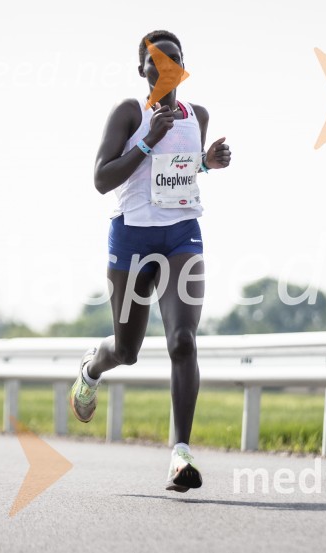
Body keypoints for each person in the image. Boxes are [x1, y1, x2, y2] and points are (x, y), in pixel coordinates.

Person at [69, 30, 231, 492]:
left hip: (182, 235)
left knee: (183, 340)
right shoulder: (129, 113)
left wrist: (206, 162)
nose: (164, 67)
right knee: (128, 350)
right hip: (132, 241)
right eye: (154, 61)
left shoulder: (196, 115)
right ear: (142, 70)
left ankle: (180, 455)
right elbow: (102, 179)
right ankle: (91, 369)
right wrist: (146, 140)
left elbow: (178, 169)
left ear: (182, 67)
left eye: (173, 59)